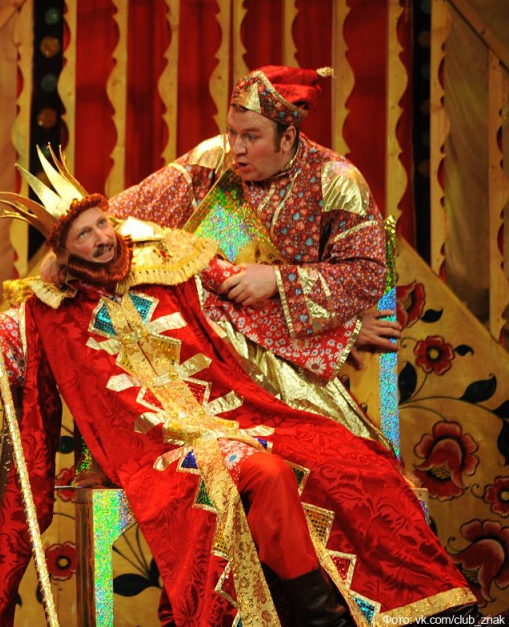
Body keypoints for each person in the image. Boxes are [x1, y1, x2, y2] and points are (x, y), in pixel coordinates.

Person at [0, 152, 478, 626]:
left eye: (102, 223)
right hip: (155, 452)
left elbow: (253, 309)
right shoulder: (46, 314)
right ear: (63, 253)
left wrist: (344, 328)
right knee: (266, 472)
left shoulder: (170, 265)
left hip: (238, 420)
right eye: (84, 235)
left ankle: (424, 611)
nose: (101, 238)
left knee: (346, 457)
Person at [44, 66, 400, 446]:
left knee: (337, 454)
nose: (237, 148)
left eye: (251, 136)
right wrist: (67, 246)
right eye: (232, 132)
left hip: (295, 363)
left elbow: (367, 274)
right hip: (207, 356)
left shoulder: (336, 181)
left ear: (288, 137)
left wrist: (278, 281)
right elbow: (127, 212)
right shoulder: (213, 160)